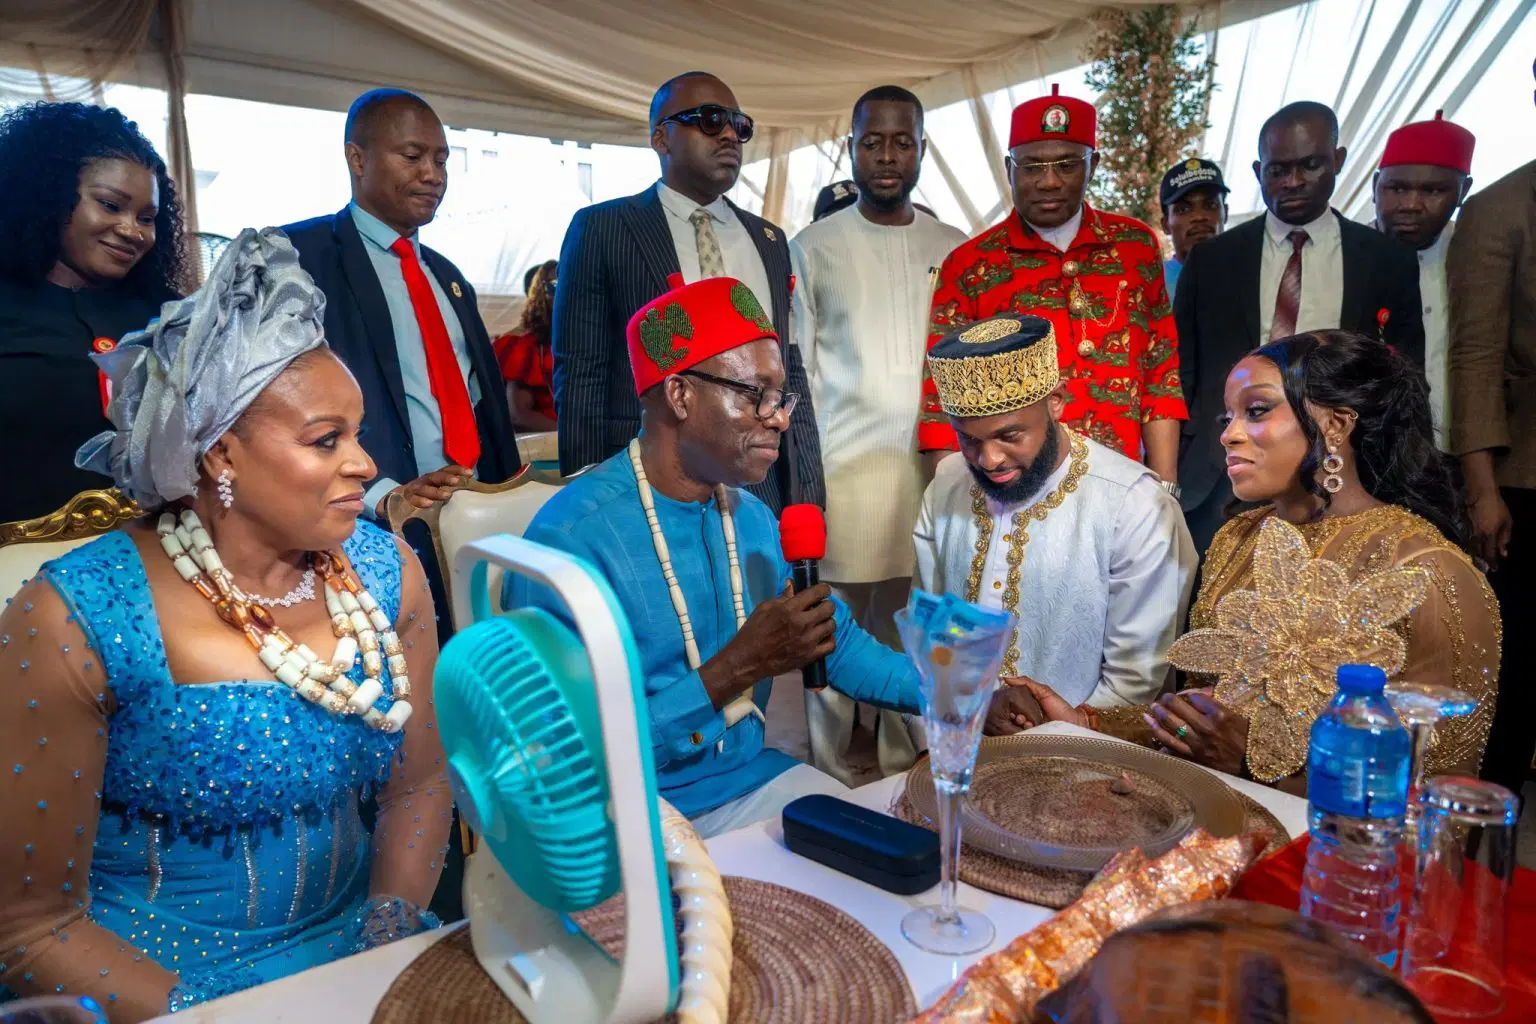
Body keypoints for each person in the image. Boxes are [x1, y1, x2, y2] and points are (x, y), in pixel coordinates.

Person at [0, 229, 449, 1019]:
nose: (367, 464)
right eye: (326, 440)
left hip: (360, 953)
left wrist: (389, 930)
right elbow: (31, 927)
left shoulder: (384, 571)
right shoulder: (75, 617)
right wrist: (218, 1011)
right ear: (220, 455)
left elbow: (420, 781)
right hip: (156, 988)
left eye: (360, 432)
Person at [509, 276, 1036, 836]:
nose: (780, 417)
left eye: (781, 397)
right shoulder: (570, 540)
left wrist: (969, 697)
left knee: (901, 861)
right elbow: (557, 761)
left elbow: (838, 646)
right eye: (754, 394)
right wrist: (738, 666)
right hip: (618, 818)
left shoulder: (754, 519)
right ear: (680, 394)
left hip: (750, 778)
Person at [1020, 332, 1497, 792]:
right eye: (1227, 417)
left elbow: (1438, 798)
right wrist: (1081, 721)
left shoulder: (1429, 572)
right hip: (1196, 820)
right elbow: (1195, 725)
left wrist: (1255, 767)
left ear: (1336, 424)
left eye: (1256, 411)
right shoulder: (1238, 539)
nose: (1229, 435)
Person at [788, 86, 968, 785]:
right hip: (843, 474)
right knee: (827, 628)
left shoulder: (952, 247)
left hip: (932, 473)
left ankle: (902, 773)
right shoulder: (813, 247)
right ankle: (827, 772)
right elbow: (795, 373)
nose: (887, 157)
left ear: (921, 148)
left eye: (901, 142)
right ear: (853, 148)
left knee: (912, 627)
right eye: (872, 142)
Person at [552, 71, 824, 516]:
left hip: (762, 483)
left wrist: (807, 494)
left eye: (741, 124)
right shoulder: (604, 228)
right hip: (649, 483)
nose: (729, 135)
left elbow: (789, 369)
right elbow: (581, 372)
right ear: (661, 138)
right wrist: (590, 494)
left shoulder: (770, 241)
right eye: (711, 119)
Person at [1175, 101, 1425, 556]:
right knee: (1209, 606)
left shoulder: (1385, 260)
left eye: (1309, 166)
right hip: (1218, 471)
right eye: (1277, 170)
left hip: (1342, 472)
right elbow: (1182, 371)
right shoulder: (1211, 260)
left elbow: (1406, 378)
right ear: (1258, 170)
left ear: (1338, 160)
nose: (1292, 182)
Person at [915, 315, 1197, 716]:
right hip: (961, 738)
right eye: (969, 440)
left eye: (1010, 436)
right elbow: (929, 630)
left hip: (1082, 757)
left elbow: (1134, 683)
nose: (989, 460)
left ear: (1056, 401)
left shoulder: (1133, 506)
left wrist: (1056, 736)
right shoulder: (948, 484)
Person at [920, 85, 1186, 490]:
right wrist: (953, 502)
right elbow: (943, 395)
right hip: (1017, 487)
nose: (1048, 181)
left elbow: (1160, 371)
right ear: (1009, 167)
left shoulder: (1134, 246)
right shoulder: (971, 264)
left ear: (1092, 165)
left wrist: (1165, 486)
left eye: (1066, 165)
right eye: (1031, 167)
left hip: (1123, 481)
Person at [282, 88, 521, 532]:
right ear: (357, 159)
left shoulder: (447, 277)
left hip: (469, 517)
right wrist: (382, 496)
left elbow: (478, 403)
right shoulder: (297, 260)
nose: (432, 175)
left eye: (442, 160)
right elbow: (275, 406)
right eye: (412, 156)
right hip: (364, 522)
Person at [0, 102, 185, 524]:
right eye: (110, 205)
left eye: (147, 217)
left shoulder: (168, 317)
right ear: (48, 195)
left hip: (151, 560)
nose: (132, 230)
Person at [1449, 140, 1535, 804]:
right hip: (1527, 475)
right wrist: (1483, 486)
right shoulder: (1503, 208)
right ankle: (1488, 833)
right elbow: (1475, 355)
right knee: (1520, 670)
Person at [1372, 111, 1475, 449]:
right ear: (1375, 187)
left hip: (1460, 454)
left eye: (1433, 190)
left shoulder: (1477, 260)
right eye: (1397, 188)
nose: (1411, 205)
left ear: (1463, 192)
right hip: (1369, 459)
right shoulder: (1347, 259)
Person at [494, 259, 558, 431]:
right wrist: (569, 435)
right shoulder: (523, 348)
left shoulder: (588, 343)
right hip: (544, 447)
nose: (563, 292)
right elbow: (518, 415)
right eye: (554, 285)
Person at [1158, 157, 1228, 300]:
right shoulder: (1150, 285)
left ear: (1225, 213)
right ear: (1165, 224)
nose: (1199, 216)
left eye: (1210, 205)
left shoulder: (1254, 274)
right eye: (1183, 209)